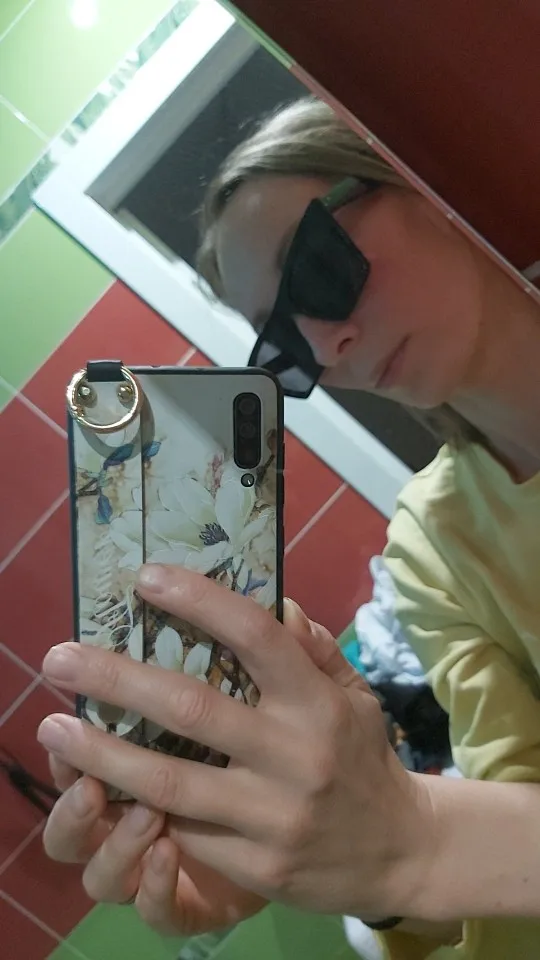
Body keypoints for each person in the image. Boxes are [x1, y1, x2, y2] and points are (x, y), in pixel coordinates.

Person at [38, 98, 540, 959]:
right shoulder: (434, 545)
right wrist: (361, 874)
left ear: (408, 173)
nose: (329, 347)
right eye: (286, 347)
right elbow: (514, 821)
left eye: (317, 272)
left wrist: (416, 841)